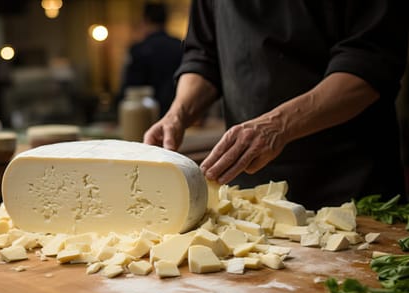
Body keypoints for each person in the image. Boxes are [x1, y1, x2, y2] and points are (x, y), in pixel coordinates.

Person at [144, 1, 409, 210]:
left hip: (349, 186)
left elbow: (369, 63)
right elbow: (203, 56)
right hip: (250, 193)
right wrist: (178, 114)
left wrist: (278, 125)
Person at [117, 1, 183, 117]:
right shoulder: (180, 46)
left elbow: (130, 87)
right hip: (177, 113)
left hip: (145, 115)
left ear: (145, 20)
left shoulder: (138, 49)